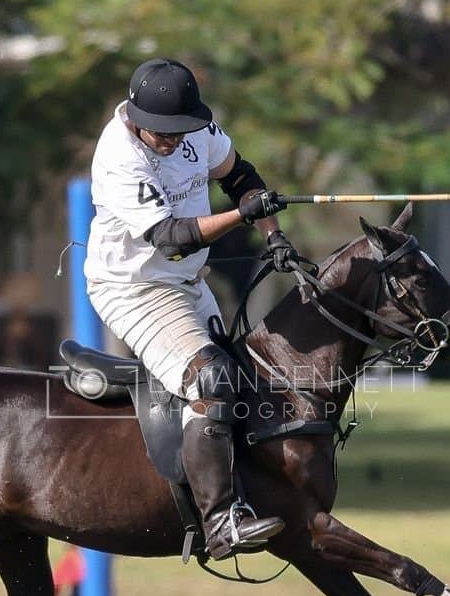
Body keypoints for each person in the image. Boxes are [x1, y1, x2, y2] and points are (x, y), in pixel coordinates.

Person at [85, 58, 298, 560]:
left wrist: (273, 235)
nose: (173, 139)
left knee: (249, 378)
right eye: (162, 131)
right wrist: (241, 215)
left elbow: (241, 175)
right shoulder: (119, 157)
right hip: (134, 288)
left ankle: (254, 492)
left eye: (180, 129)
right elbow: (172, 238)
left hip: (187, 282)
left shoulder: (196, 132)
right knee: (211, 379)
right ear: (137, 118)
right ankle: (220, 522)